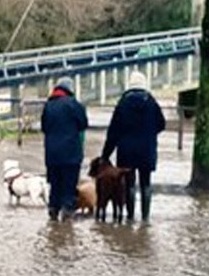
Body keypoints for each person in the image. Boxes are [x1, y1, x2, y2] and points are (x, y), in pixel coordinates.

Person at [99, 70, 167, 221]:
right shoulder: (151, 102)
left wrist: (105, 155)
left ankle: (130, 217)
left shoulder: (123, 104)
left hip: (126, 151)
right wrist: (149, 134)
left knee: (129, 184)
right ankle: (145, 218)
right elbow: (162, 124)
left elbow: (113, 132)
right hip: (146, 150)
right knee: (146, 184)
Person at [41, 76, 88, 220]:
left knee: (55, 185)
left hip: (52, 154)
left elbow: (44, 127)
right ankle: (67, 216)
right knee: (69, 187)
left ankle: (53, 212)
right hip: (71, 154)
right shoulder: (74, 105)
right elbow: (83, 124)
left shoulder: (48, 105)